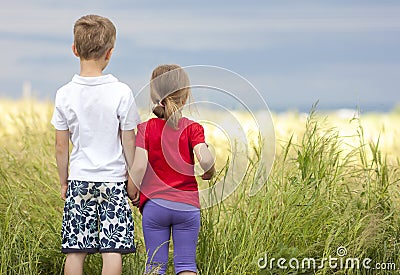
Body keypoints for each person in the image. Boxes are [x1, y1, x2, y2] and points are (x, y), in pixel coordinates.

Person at [51, 14, 141, 275]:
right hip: (113, 181)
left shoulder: (64, 94)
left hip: (80, 179)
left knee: (75, 251)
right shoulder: (121, 92)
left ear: (74, 49)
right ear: (110, 53)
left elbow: (60, 145)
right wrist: (132, 179)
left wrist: (63, 181)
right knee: (112, 249)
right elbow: (129, 139)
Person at [129, 64, 216, 274]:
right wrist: (209, 171)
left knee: (154, 266)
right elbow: (204, 159)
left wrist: (132, 191)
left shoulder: (145, 128)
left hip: (154, 206)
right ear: (185, 97)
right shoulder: (193, 128)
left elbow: (139, 165)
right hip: (187, 207)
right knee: (186, 265)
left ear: (153, 96)